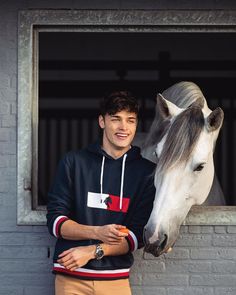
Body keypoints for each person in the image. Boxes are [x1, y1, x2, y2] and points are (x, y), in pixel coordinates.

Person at [46, 91, 156, 295]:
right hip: (71, 277)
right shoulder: (73, 162)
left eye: (130, 120)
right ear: (102, 121)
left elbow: (135, 236)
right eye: (116, 119)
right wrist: (97, 232)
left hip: (116, 280)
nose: (124, 127)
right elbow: (55, 221)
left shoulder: (147, 173)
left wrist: (93, 251)